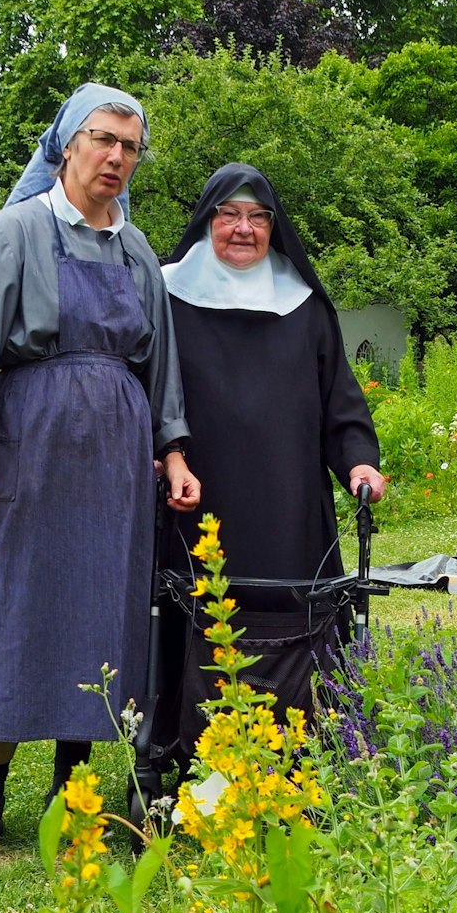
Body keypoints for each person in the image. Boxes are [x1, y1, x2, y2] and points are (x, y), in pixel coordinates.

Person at [0, 83, 200, 860]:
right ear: (67, 144)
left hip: (115, 459)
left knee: (97, 607)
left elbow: (162, 366)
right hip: (27, 446)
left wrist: (174, 452)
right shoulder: (12, 233)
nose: (116, 157)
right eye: (102, 139)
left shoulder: (138, 250)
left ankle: (71, 786)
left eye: (130, 146)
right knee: (15, 605)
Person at [150, 163, 384, 738]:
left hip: (290, 505)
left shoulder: (303, 304)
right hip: (197, 498)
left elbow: (341, 403)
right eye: (229, 214)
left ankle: (308, 737)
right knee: (196, 611)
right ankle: (188, 743)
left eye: (258, 216)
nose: (243, 228)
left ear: (274, 228)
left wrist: (358, 459)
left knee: (293, 615)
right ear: (207, 220)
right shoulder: (166, 294)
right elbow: (145, 388)